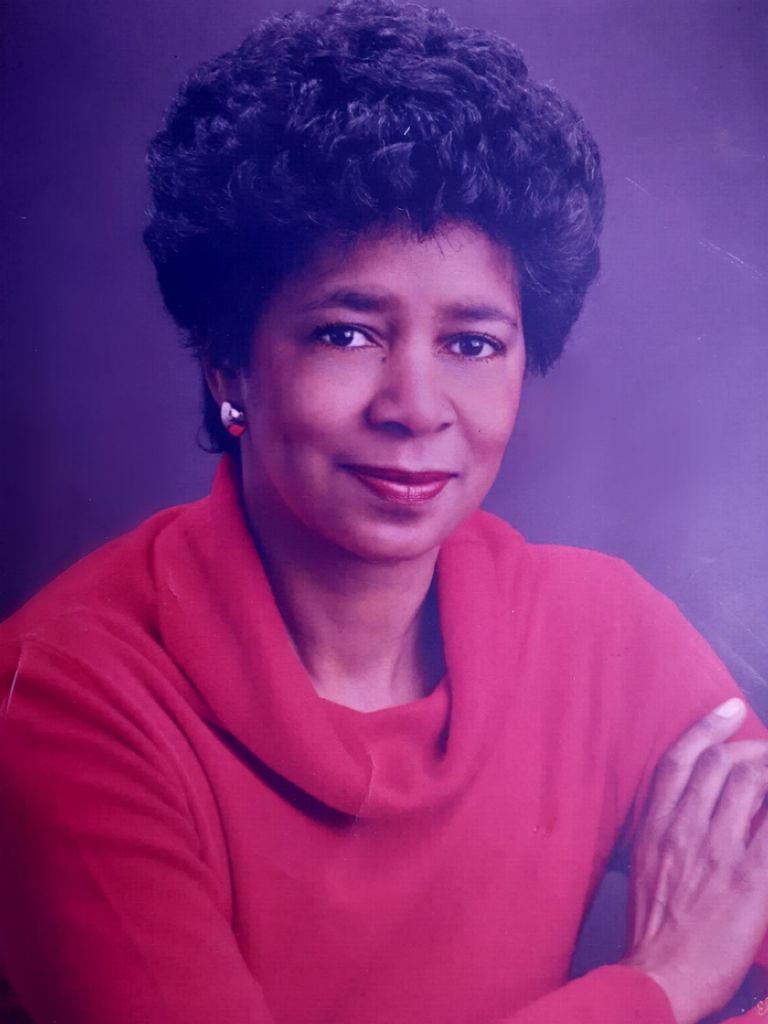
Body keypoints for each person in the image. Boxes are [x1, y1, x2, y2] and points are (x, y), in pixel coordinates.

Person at [0, 2, 767, 1022]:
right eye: (347, 334)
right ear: (227, 361)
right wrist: (660, 986)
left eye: (473, 344)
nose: (415, 407)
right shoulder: (63, 697)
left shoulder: (602, 635)